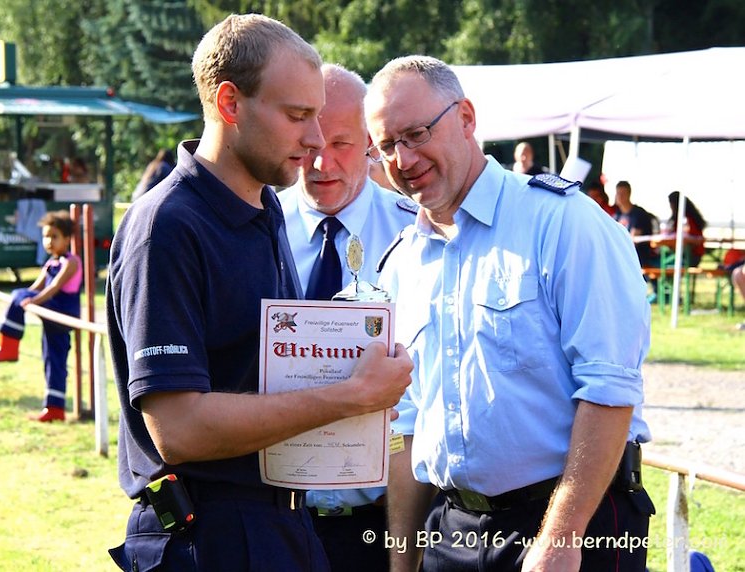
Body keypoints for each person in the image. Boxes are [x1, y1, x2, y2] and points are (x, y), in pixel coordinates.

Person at [105, 14, 413, 572]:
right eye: (298, 115)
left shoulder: (265, 208)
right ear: (229, 104)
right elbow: (177, 428)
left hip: (283, 526)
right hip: (212, 535)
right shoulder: (168, 226)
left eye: (319, 116)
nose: (316, 139)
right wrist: (352, 397)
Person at [365, 55, 654, 572]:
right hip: (451, 529)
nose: (403, 159)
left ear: (467, 118)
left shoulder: (560, 223)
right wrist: (401, 561)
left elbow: (610, 389)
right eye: (386, 146)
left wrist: (562, 538)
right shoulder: (403, 262)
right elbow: (409, 426)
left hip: (573, 522)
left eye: (416, 134)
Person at [279, 63, 417, 572]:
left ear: (369, 144)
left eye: (341, 143)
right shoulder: (255, 231)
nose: (320, 161)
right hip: (277, 519)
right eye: (308, 140)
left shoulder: (415, 238)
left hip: (382, 524)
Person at [0, 210, 82, 423]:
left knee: (56, 360)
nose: (49, 241)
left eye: (54, 237)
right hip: (50, 311)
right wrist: (26, 299)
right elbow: (35, 288)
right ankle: (54, 408)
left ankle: (9, 346)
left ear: (67, 239)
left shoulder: (71, 262)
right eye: (46, 236)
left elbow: (54, 288)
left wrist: (31, 301)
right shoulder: (51, 263)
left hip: (61, 310)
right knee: (51, 360)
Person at [666, 191, 707, 264]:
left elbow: (693, 238)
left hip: (691, 256)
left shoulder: (687, 219)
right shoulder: (681, 219)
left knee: (666, 262)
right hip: (685, 254)